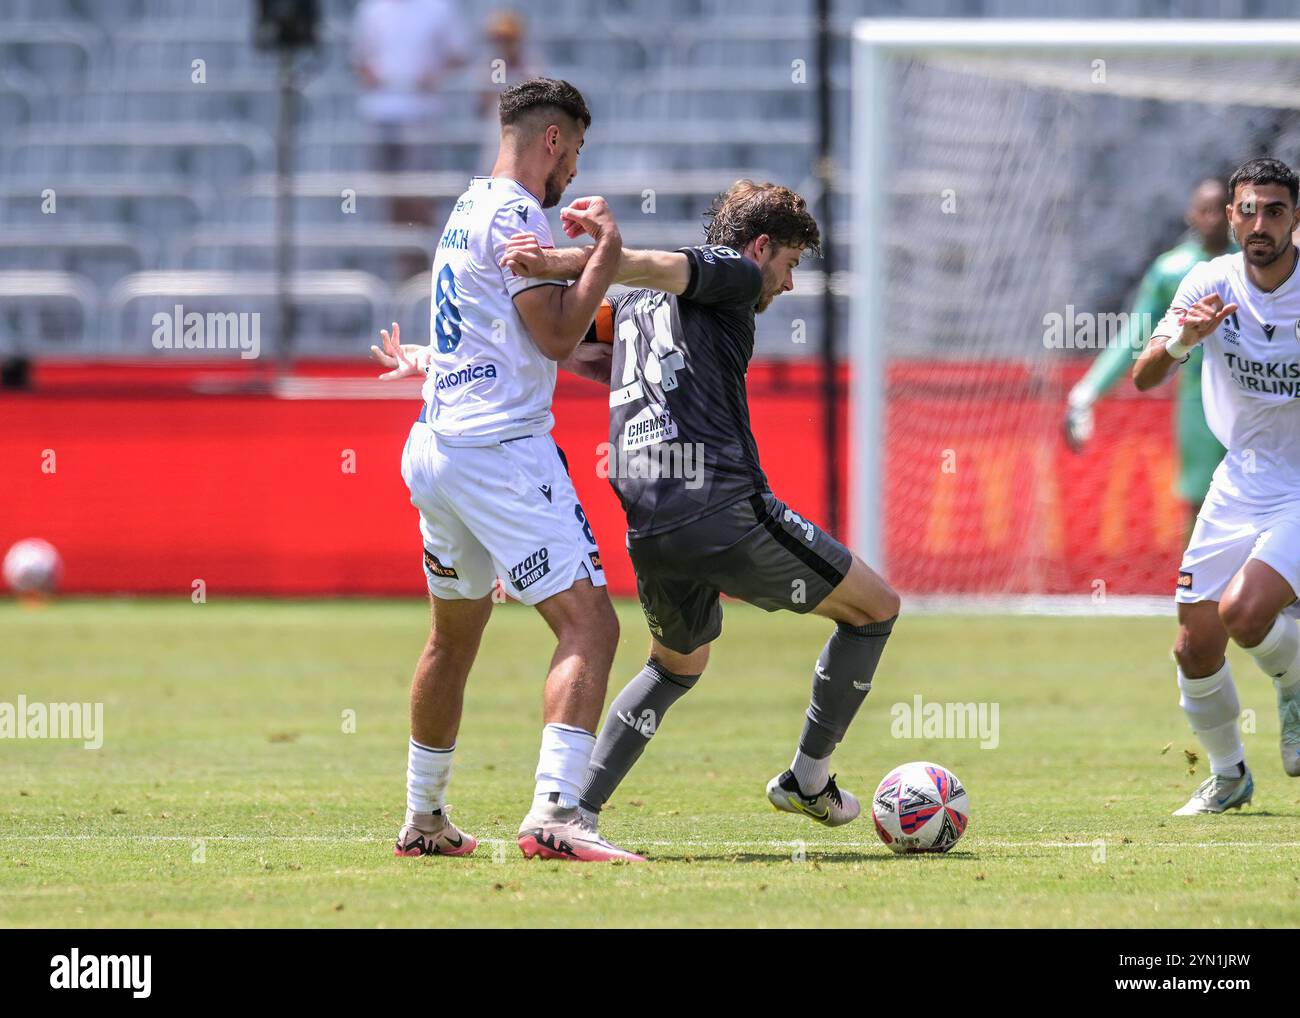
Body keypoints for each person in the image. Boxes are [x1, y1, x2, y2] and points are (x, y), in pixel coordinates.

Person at [502, 181, 902, 837]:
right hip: (721, 506)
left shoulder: (633, 308)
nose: (788, 285)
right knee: (876, 610)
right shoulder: (734, 272)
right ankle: (807, 777)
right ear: (762, 246)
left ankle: (576, 812)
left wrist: (440, 360)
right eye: (791, 264)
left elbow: (574, 346)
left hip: (649, 526)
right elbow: (651, 263)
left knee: (675, 663)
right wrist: (565, 258)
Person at [369, 78, 643, 862]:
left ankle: (424, 819)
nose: (574, 175)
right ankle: (556, 812)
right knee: (590, 623)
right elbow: (556, 335)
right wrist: (608, 255)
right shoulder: (520, 212)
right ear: (553, 139)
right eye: (577, 152)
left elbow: (507, 337)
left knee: (451, 641)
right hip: (502, 455)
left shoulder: (466, 207)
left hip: (439, 448)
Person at [1133, 157, 1300, 815]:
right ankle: (1230, 774)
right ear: (1230, 217)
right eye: (1248, 211)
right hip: (1243, 476)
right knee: (1194, 644)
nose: (1260, 224)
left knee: (1245, 612)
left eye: (1275, 210)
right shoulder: (1208, 281)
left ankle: (1293, 688)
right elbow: (1147, 373)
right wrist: (1185, 341)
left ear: (1295, 217)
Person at [1064, 178, 1231, 531]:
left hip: (1254, 398)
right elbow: (1134, 336)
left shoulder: (1253, 263)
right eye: (1205, 209)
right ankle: (1196, 585)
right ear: (1191, 215)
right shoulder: (1173, 271)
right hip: (1197, 400)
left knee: (1265, 503)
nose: (1214, 218)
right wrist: (1088, 391)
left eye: (1221, 209)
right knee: (1200, 504)